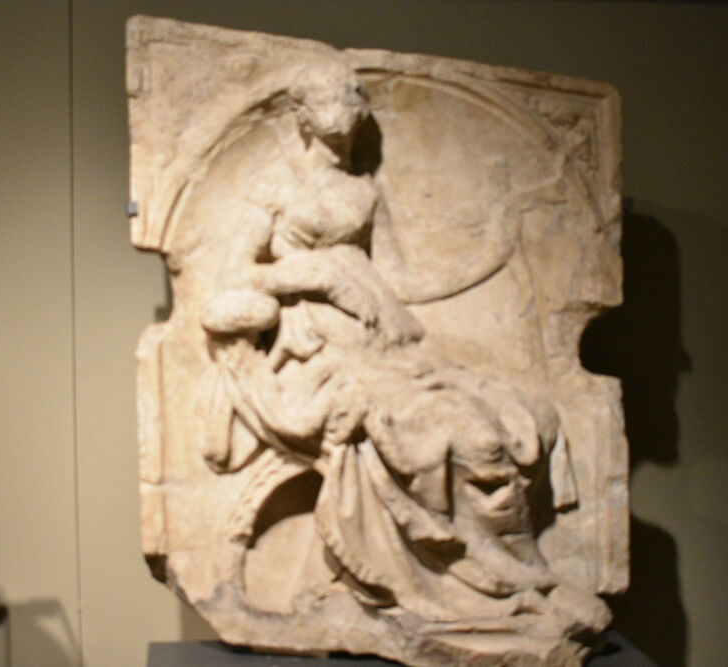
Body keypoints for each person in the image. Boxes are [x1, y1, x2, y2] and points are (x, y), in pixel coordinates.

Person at [199, 59, 609, 636]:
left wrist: (494, 246)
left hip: (386, 345)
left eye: (350, 96)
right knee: (463, 435)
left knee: (514, 416)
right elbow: (234, 272)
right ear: (302, 116)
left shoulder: (363, 190)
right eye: (326, 98)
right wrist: (320, 273)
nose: (341, 108)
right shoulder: (275, 184)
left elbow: (400, 281)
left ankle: (528, 574)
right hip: (317, 355)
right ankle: (493, 584)